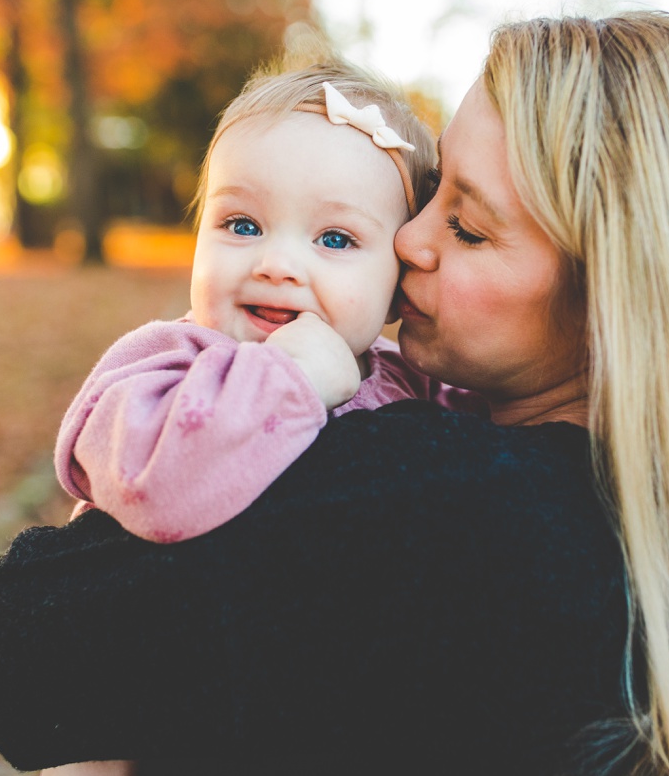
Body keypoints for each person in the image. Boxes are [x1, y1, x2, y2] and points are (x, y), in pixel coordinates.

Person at [0, 12, 669, 776]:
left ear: (610, 299)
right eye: (429, 197)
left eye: (465, 226)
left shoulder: (443, 501)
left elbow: (10, 640)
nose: (409, 241)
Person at [54, 60, 482, 545]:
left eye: (336, 239)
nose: (276, 264)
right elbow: (149, 491)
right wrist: (291, 378)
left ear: (397, 285)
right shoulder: (166, 363)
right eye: (243, 225)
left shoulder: (412, 381)